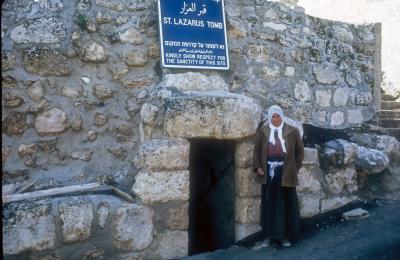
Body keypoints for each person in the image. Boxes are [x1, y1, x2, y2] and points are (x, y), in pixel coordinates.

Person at [253, 105, 304, 248]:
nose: (276, 119)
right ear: (270, 118)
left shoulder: (292, 131)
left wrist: (295, 168)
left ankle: (285, 237)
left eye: (278, 116)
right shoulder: (263, 132)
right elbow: (256, 152)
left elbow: (300, 152)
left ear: (282, 116)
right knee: (269, 206)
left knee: (286, 206)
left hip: (286, 173)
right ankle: (269, 237)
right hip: (269, 173)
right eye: (273, 116)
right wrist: (258, 167)